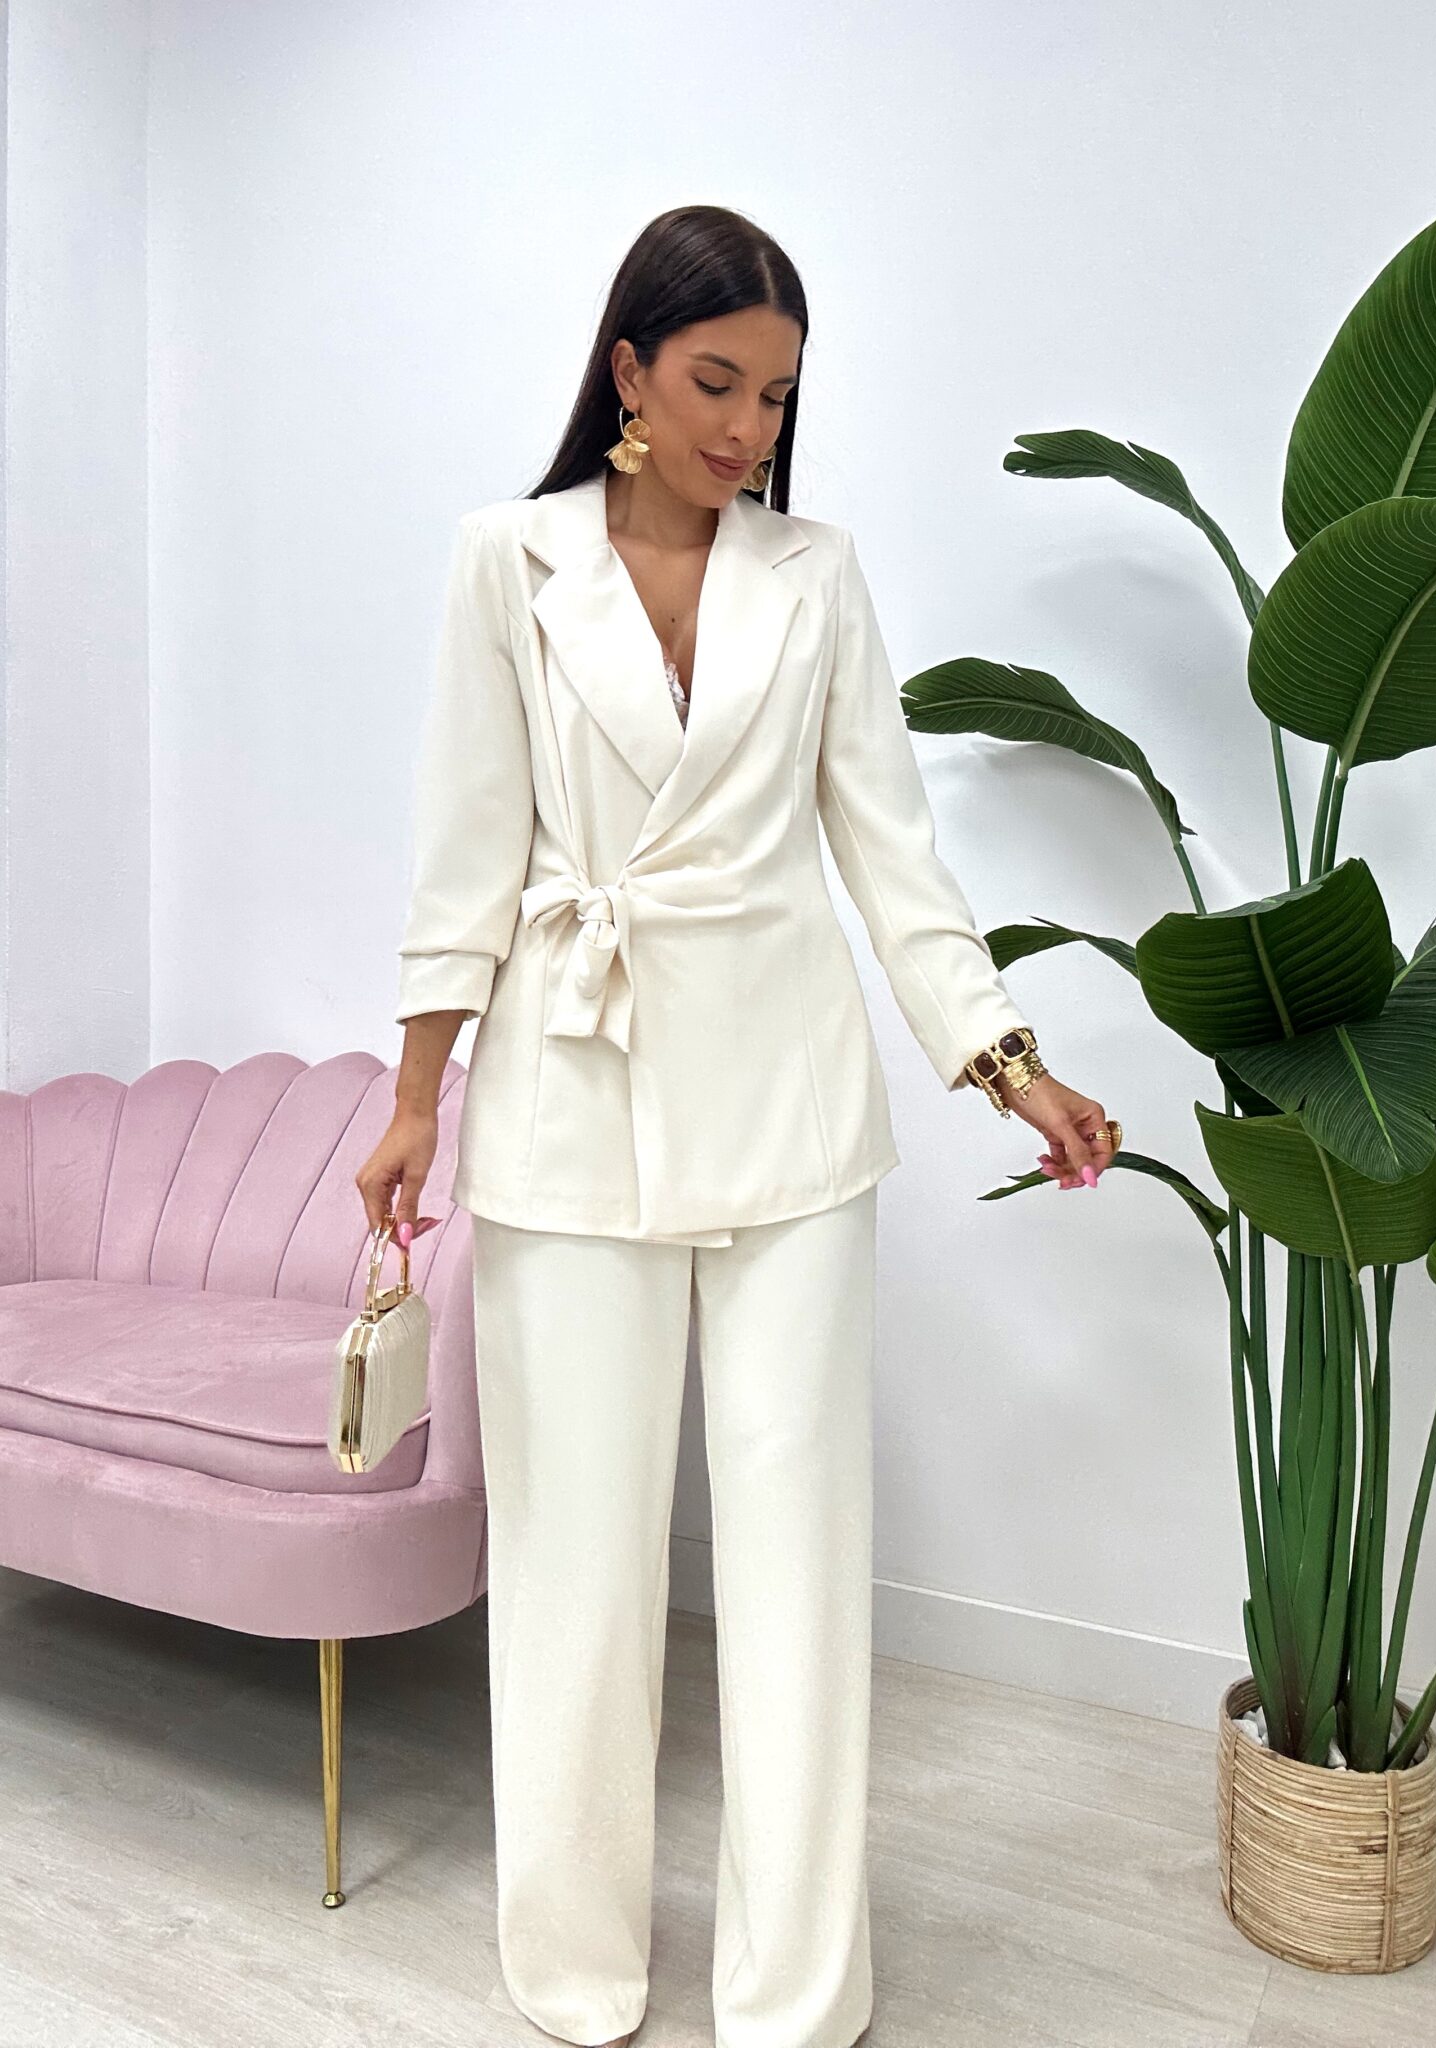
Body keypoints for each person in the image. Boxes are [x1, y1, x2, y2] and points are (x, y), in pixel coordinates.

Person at [358, 203, 1117, 2048]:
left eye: (775, 395)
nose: (746, 428)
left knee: (793, 1569)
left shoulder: (816, 577)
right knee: (575, 1570)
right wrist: (415, 1094)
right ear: (627, 368)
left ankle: (795, 1994)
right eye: (714, 382)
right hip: (570, 1097)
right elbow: (468, 849)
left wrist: (1006, 1059)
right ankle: (572, 1967)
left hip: (789, 1117)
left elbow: (890, 857)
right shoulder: (506, 563)